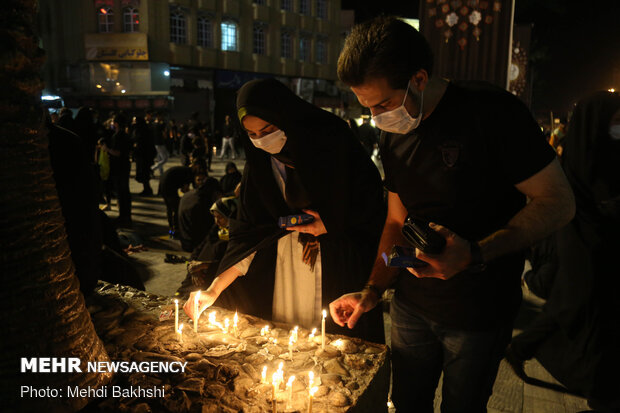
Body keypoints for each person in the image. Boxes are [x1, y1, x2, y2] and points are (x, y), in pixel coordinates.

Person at [328, 16, 575, 412]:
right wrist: (372, 290)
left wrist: (474, 253)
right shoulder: (392, 132)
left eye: (385, 104)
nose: (377, 118)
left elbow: (559, 202)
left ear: (420, 79)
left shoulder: (492, 113)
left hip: (479, 311)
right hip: (411, 307)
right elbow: (396, 221)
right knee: (407, 403)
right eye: (368, 108)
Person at [184, 78, 386, 343]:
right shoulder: (260, 165)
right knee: (288, 343)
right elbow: (249, 233)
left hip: (337, 262)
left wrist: (331, 223)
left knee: (333, 343)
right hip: (283, 268)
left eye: (268, 129)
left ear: (286, 117)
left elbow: (372, 204)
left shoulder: (333, 141)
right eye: (253, 135)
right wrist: (213, 289)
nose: (263, 141)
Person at [506, 91, 620, 412]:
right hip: (578, 232)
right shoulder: (581, 152)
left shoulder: (608, 150)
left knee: (582, 301)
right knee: (576, 300)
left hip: (598, 237)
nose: (618, 127)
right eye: (614, 121)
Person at [175, 196, 239, 298]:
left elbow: (233, 264)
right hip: (198, 276)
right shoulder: (216, 230)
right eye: (215, 217)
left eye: (220, 217)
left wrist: (205, 265)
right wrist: (193, 268)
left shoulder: (238, 236)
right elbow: (197, 250)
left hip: (215, 281)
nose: (216, 221)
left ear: (230, 216)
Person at [177, 164, 222, 253]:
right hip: (193, 245)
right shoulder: (201, 203)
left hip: (184, 240)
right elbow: (207, 228)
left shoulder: (188, 195)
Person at [102, 112, 132, 227]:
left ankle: (124, 217)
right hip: (124, 166)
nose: (112, 124)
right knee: (124, 193)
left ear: (117, 123)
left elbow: (118, 152)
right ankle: (126, 216)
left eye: (114, 122)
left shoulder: (119, 136)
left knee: (122, 193)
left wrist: (107, 149)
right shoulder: (124, 134)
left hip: (120, 167)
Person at [159, 163, 197, 237]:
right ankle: (176, 230)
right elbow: (185, 190)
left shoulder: (186, 170)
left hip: (163, 184)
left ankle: (171, 229)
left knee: (170, 208)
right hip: (169, 186)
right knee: (176, 208)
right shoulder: (189, 174)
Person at [132, 115, 156, 196]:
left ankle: (147, 190)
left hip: (144, 156)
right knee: (144, 173)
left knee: (144, 173)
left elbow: (142, 142)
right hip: (142, 155)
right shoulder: (141, 130)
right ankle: (147, 189)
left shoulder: (143, 131)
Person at [150, 111, 169, 176]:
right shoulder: (161, 125)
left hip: (155, 143)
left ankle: (161, 173)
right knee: (165, 158)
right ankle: (152, 168)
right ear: (158, 116)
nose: (162, 117)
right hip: (160, 143)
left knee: (159, 159)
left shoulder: (152, 124)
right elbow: (165, 135)